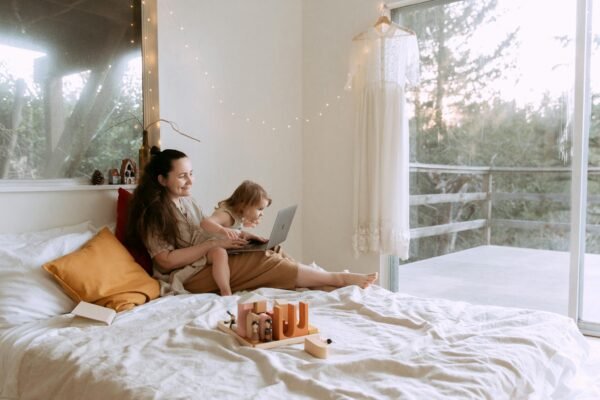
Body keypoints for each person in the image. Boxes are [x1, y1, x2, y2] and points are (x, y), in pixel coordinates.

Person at [127, 147, 378, 296]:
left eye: (191, 174)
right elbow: (165, 261)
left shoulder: (186, 201)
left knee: (269, 248)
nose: (190, 181)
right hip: (187, 275)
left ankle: (319, 281)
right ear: (161, 180)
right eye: (182, 176)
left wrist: (243, 236)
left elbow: (207, 229)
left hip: (206, 259)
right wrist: (213, 246)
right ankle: (337, 280)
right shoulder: (153, 214)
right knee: (262, 260)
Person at [200, 180, 271, 296]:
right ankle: (225, 291)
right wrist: (222, 230)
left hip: (224, 245)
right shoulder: (226, 215)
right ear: (244, 205)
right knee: (220, 253)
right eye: (260, 209)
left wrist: (251, 235)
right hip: (206, 250)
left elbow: (236, 230)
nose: (262, 213)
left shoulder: (238, 214)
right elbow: (205, 223)